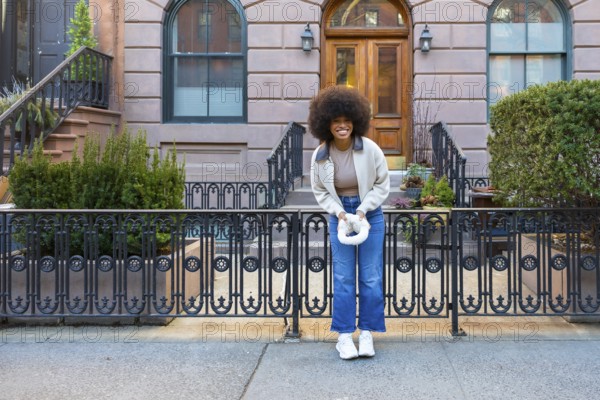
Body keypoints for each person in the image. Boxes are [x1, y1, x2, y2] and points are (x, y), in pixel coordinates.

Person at [308, 85, 390, 360]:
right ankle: (344, 336)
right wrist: (341, 213)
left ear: (355, 122)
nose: (342, 126)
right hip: (339, 216)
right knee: (343, 277)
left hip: (371, 215)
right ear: (326, 124)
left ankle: (366, 334)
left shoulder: (370, 149)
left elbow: (382, 185)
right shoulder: (320, 155)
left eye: (347, 121)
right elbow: (319, 191)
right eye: (336, 121)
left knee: (370, 276)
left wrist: (363, 210)